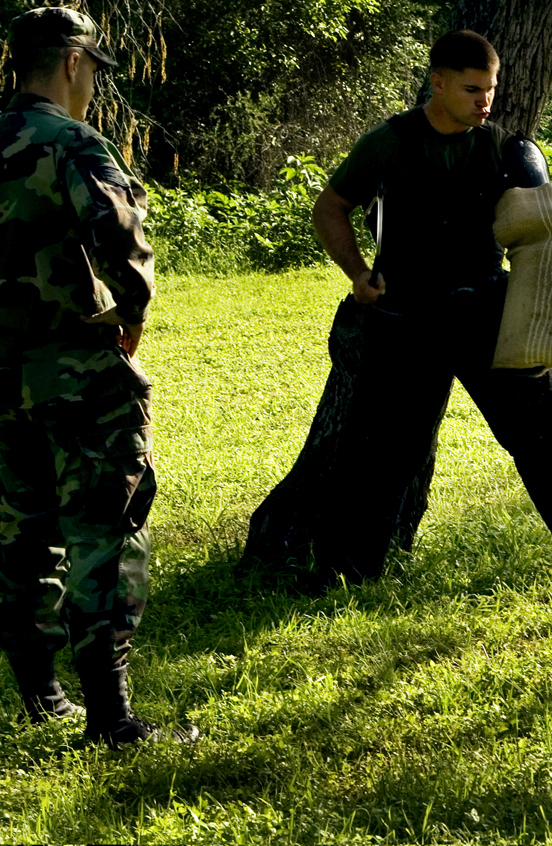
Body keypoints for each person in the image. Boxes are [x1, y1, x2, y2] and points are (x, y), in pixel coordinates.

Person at [307, 29, 552, 583]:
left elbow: (550, 233)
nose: (485, 100)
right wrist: (360, 275)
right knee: (377, 453)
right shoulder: (388, 143)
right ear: (437, 83)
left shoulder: (507, 148)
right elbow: (331, 207)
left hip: (489, 313)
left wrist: (540, 312)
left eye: (491, 88)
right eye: (471, 88)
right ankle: (341, 575)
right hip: (404, 318)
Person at [0, 8, 191, 746]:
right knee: (105, 531)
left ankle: (42, 696)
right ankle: (111, 721)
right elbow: (119, 236)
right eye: (92, 76)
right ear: (74, 63)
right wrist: (131, 310)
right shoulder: (70, 142)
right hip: (74, 372)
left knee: (20, 533)